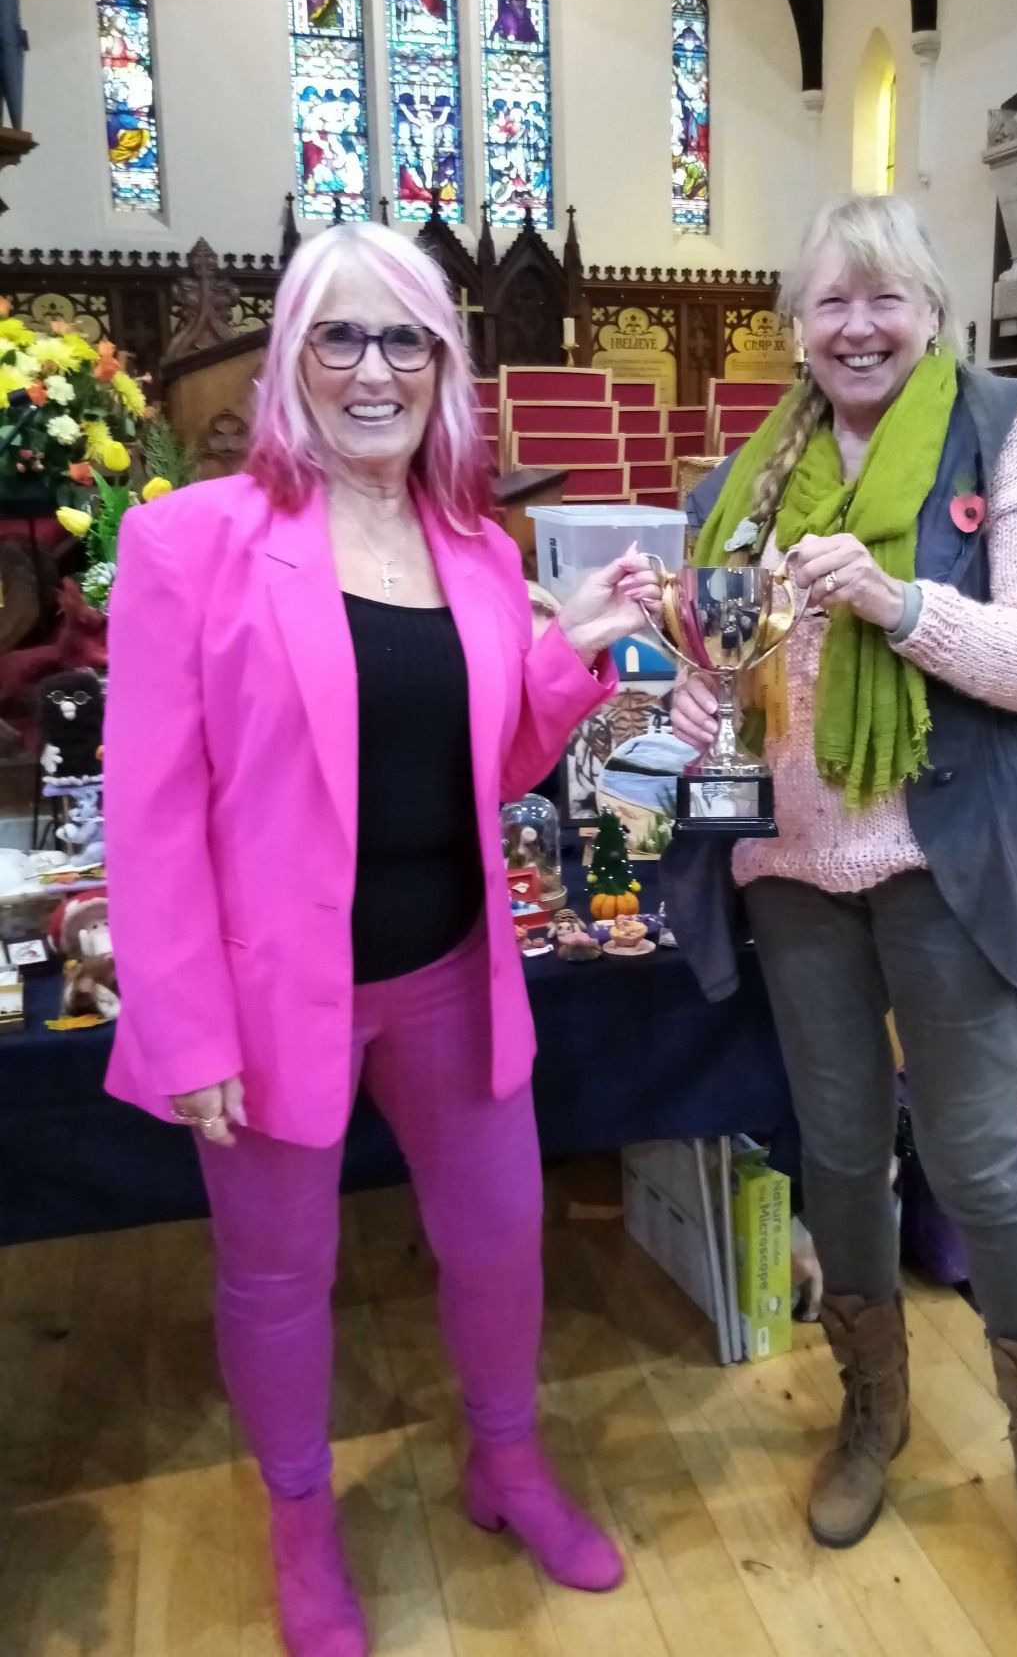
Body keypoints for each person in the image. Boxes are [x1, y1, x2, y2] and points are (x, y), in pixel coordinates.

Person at [104, 223, 659, 1656]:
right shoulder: (190, 541)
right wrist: (182, 1028)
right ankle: (301, 1530)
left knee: (501, 1241)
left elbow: (499, 765)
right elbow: (151, 813)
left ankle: (505, 1459)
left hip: (449, 976)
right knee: (279, 1279)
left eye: (404, 338)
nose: (372, 369)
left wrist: (569, 651)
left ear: (443, 367)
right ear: (290, 357)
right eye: (338, 336)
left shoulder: (475, 548)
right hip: (270, 990)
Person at [671, 194, 1017, 1611]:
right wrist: (663, 671)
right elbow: (720, 682)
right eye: (827, 303)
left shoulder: (997, 432)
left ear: (929, 311)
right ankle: (872, 1412)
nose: (854, 327)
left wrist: (901, 605)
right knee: (842, 1152)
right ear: (794, 327)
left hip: (946, 862)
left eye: (882, 299)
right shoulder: (745, 476)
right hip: (791, 866)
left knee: (978, 1160)